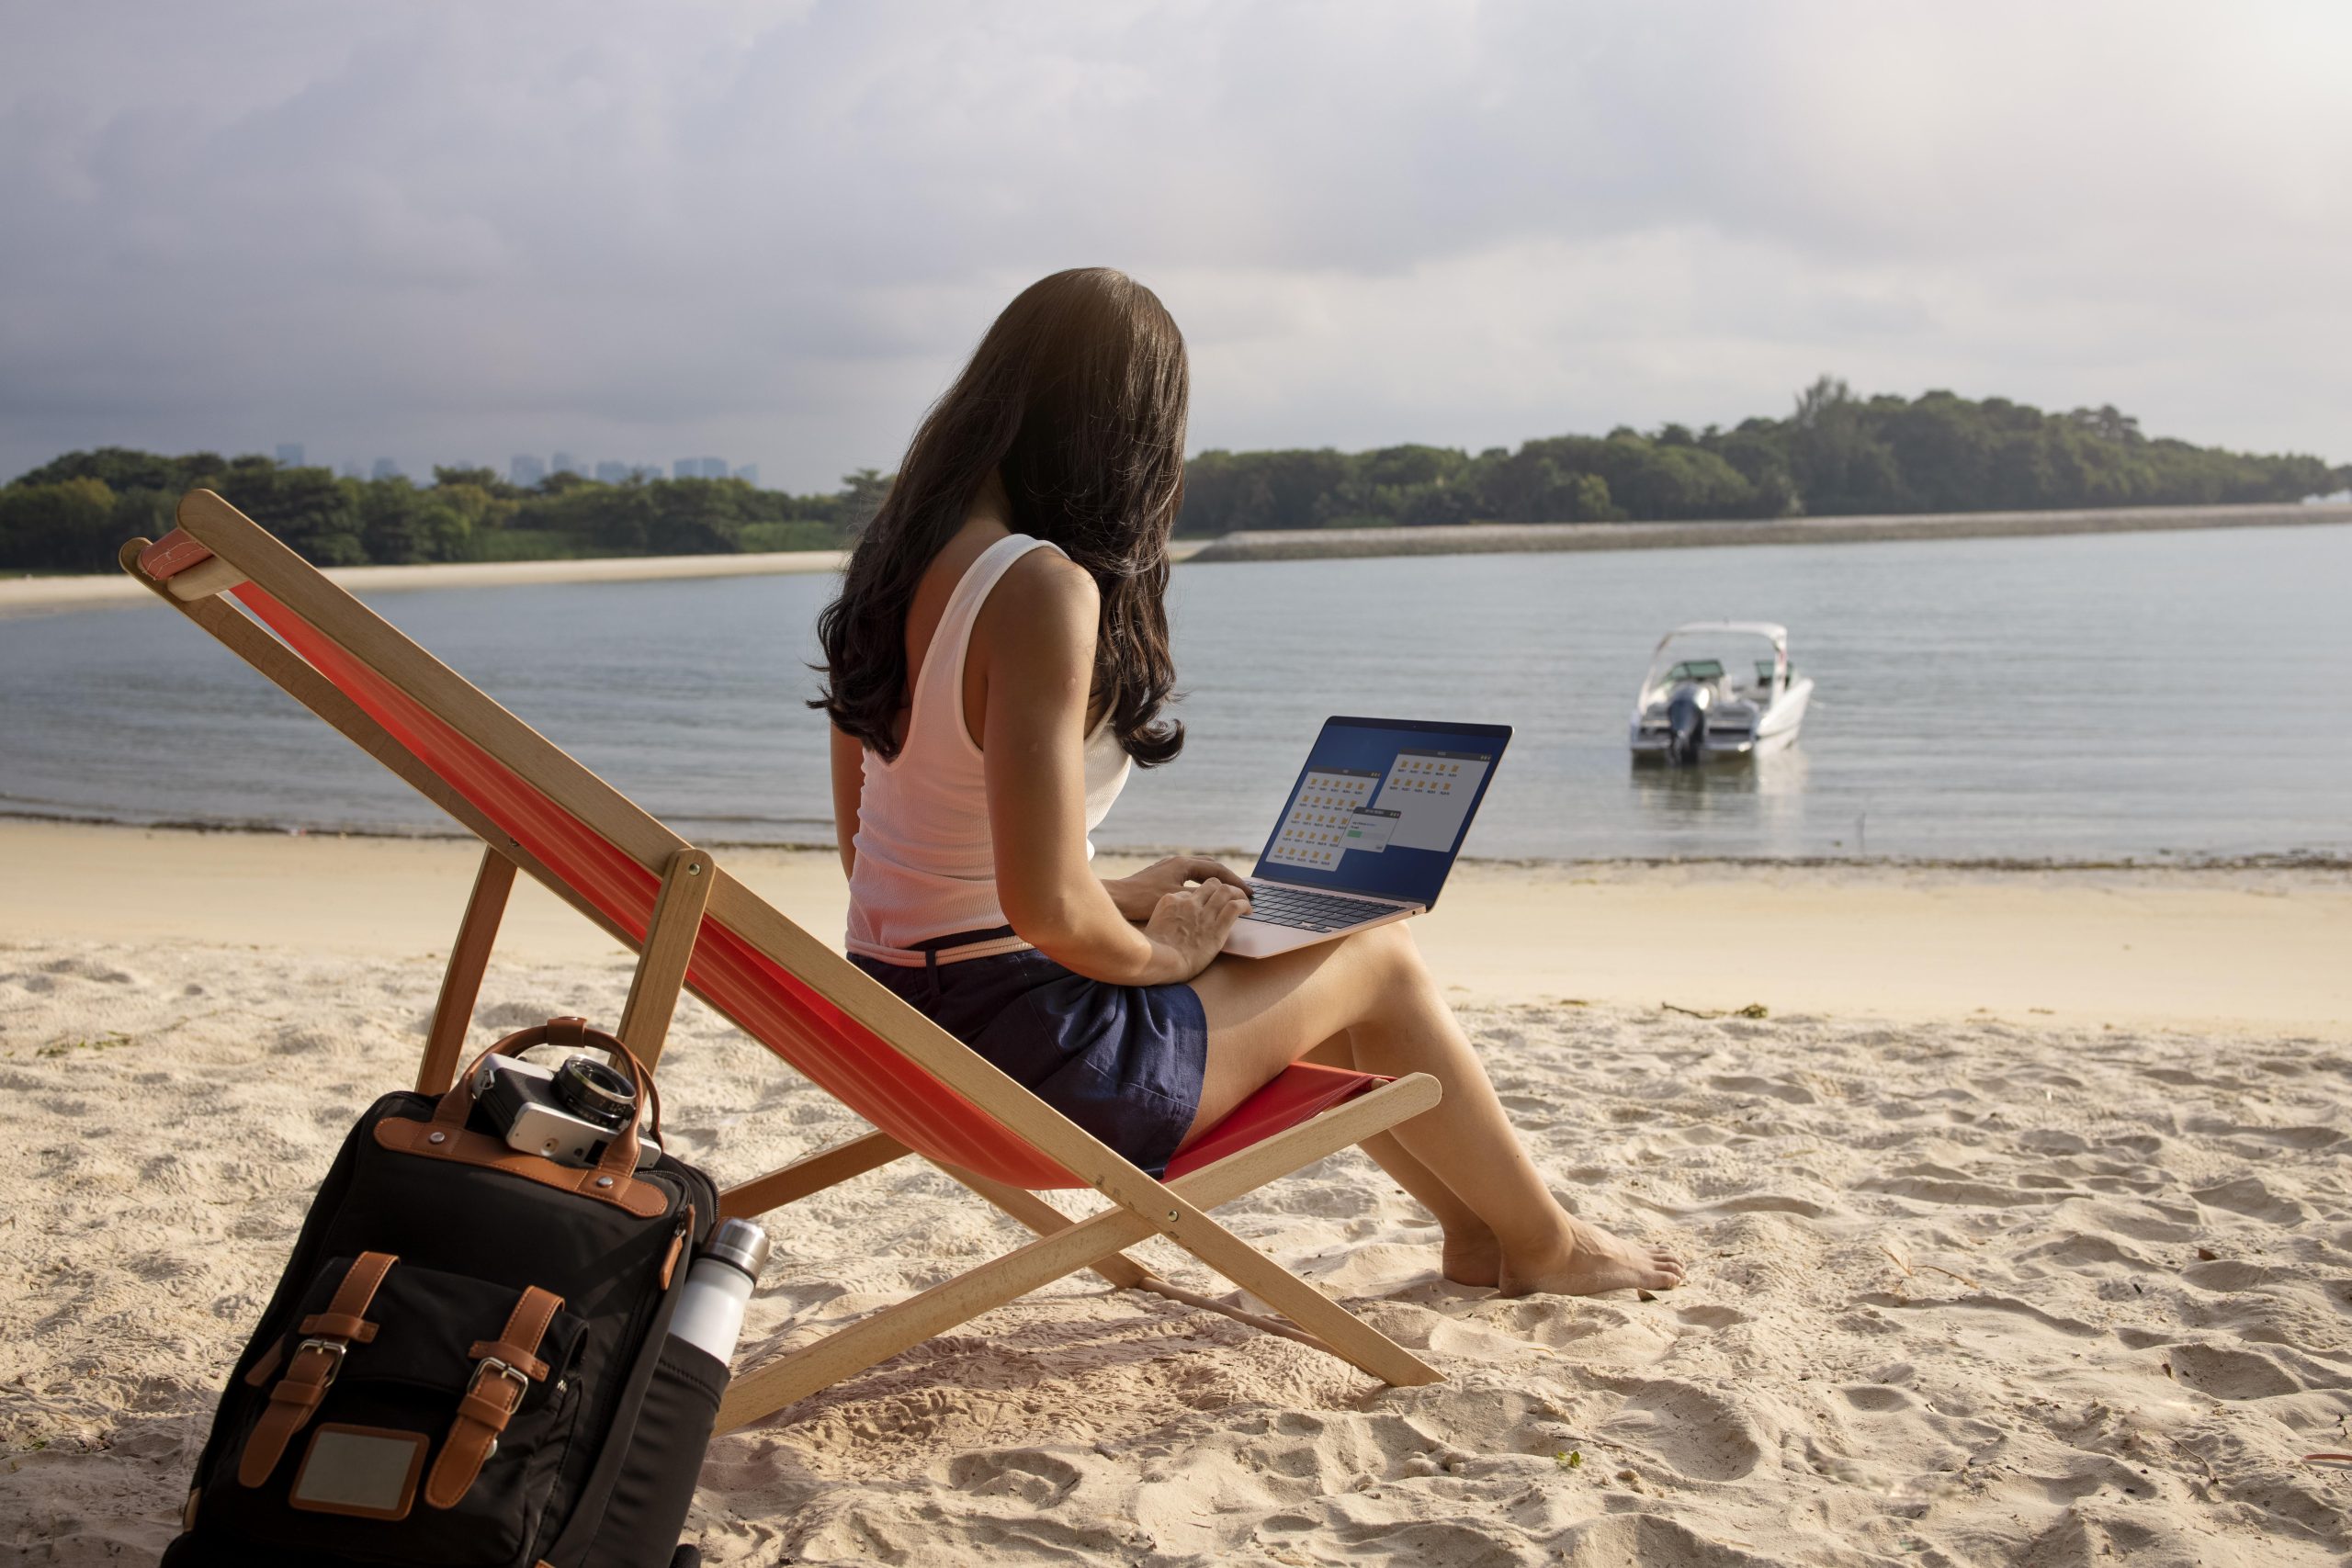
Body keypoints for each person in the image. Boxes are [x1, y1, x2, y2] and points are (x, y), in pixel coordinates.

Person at [813, 268, 1682, 1297]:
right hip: (1040, 1066)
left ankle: (1478, 1232)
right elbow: (1041, 907)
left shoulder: (894, 568)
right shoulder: (1038, 585)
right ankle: (1547, 1244)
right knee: (1378, 954)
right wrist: (1156, 953)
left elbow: (888, 859)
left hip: (910, 1034)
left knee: (1317, 946)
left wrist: (1135, 894)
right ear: (1122, 430)